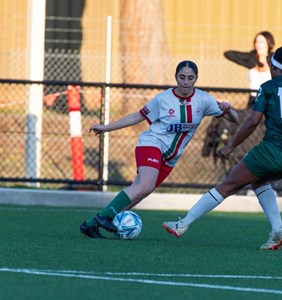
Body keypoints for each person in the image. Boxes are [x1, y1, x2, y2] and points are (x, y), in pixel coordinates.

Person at [163, 41, 282, 250]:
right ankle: (278, 229)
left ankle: (183, 224)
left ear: (275, 67)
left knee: (227, 185)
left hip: (272, 151)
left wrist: (231, 146)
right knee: (259, 182)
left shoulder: (268, 87)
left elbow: (252, 121)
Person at [80, 60, 238, 238]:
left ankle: (90, 225)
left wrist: (229, 110)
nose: (186, 82)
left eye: (190, 78)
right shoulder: (163, 99)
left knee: (140, 193)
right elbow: (136, 116)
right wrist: (106, 127)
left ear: (196, 79)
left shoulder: (204, 99)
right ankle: (104, 217)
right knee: (145, 185)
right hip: (151, 144)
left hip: (171, 157)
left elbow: (234, 118)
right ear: (176, 77)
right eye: (182, 77)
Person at [202, 31, 275, 162]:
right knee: (229, 118)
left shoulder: (274, 60)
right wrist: (253, 59)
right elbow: (228, 54)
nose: (258, 45)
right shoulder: (252, 60)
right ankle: (214, 148)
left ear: (269, 44)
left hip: (269, 102)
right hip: (253, 101)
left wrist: (266, 62)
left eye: (262, 42)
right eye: (256, 42)